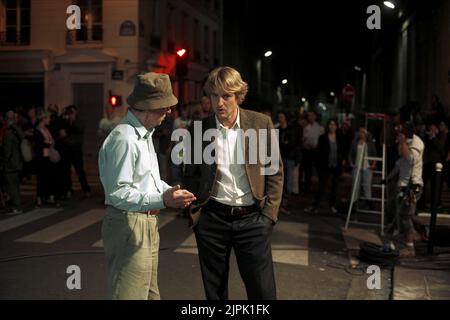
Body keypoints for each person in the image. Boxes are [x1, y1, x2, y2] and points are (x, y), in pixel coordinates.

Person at [184, 66, 283, 300]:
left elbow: (275, 172)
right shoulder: (199, 129)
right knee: (215, 292)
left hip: (252, 220)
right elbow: (189, 174)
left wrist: (268, 215)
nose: (220, 103)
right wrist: (195, 211)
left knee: (262, 291)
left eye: (226, 96)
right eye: (214, 95)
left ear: (238, 95)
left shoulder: (260, 123)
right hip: (212, 220)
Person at [99, 72, 196, 300]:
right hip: (129, 223)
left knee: (149, 295)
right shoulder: (125, 138)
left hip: (144, 221)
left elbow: (145, 180)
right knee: (129, 295)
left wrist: (168, 191)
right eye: (164, 107)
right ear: (148, 108)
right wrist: (162, 200)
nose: (168, 112)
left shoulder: (142, 135)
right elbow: (117, 193)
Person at [383, 122, 424, 258]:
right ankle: (390, 240)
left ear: (405, 135)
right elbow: (398, 165)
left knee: (405, 215)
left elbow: (411, 159)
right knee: (391, 209)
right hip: (403, 186)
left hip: (413, 187)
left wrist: (402, 142)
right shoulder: (404, 144)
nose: (398, 137)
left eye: (400, 134)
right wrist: (387, 179)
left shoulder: (417, 144)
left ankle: (410, 247)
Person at [304, 119, 343, 214]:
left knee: (334, 188)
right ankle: (315, 205)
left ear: (336, 126)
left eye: (334, 124)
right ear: (328, 126)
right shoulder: (323, 137)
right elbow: (319, 153)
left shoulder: (339, 138)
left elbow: (342, 151)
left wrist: (342, 162)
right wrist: (319, 166)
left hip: (336, 166)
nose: (332, 126)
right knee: (321, 187)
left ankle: (332, 205)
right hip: (325, 166)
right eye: (330, 124)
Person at [349, 126, 377, 209]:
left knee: (367, 185)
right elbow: (350, 154)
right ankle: (353, 204)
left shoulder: (370, 143)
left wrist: (373, 164)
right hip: (357, 166)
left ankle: (369, 202)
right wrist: (351, 163)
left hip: (367, 167)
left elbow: (374, 154)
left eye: (363, 132)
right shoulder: (354, 142)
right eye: (360, 132)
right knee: (355, 185)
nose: (361, 134)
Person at [2, 111, 24, 214]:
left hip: (11, 163)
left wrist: (4, 160)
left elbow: (7, 151)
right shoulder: (18, 129)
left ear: (7, 120)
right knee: (15, 184)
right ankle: (17, 204)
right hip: (18, 161)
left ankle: (16, 207)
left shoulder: (8, 132)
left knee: (11, 186)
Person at [301, 111, 324, 193]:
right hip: (307, 151)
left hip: (316, 151)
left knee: (318, 170)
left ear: (315, 117)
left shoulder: (319, 127)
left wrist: (318, 146)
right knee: (307, 170)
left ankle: (320, 188)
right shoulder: (306, 127)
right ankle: (307, 187)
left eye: (312, 116)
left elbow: (321, 139)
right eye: (309, 116)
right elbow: (303, 139)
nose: (310, 117)